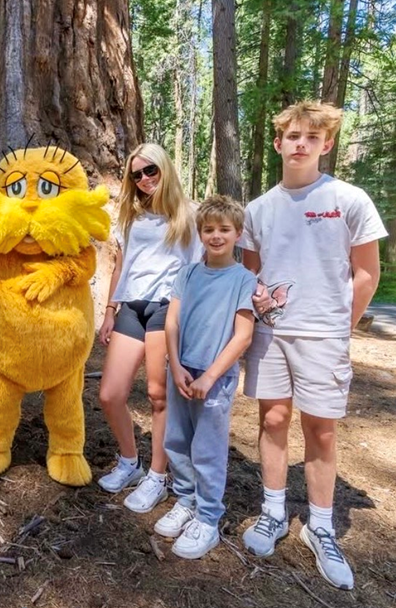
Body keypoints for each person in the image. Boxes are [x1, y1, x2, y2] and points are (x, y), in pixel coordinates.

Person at [240, 101, 385, 590]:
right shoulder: (258, 210)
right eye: (292, 136)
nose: (300, 143)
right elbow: (252, 273)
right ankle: (274, 511)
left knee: (320, 428)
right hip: (270, 334)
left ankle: (320, 526)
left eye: (311, 137)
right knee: (273, 419)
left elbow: (367, 274)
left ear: (326, 144)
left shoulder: (349, 199)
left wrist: (341, 327)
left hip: (324, 335)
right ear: (278, 143)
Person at [97, 143, 203, 513]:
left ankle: (158, 477)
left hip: (167, 308)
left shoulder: (190, 215)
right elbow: (121, 267)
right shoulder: (131, 217)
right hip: (132, 307)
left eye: (150, 171)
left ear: (165, 169)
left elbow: (200, 269)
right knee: (110, 394)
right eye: (136, 174)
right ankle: (130, 461)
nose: (144, 180)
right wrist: (110, 310)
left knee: (159, 396)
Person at [154, 195, 256, 559]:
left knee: (208, 448)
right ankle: (185, 500)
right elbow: (172, 321)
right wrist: (176, 365)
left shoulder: (244, 279)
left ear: (238, 234)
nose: (216, 236)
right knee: (177, 440)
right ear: (199, 233)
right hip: (181, 369)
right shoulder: (188, 273)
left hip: (216, 377)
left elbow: (242, 335)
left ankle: (208, 517)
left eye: (224, 230)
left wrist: (210, 377)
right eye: (209, 229)